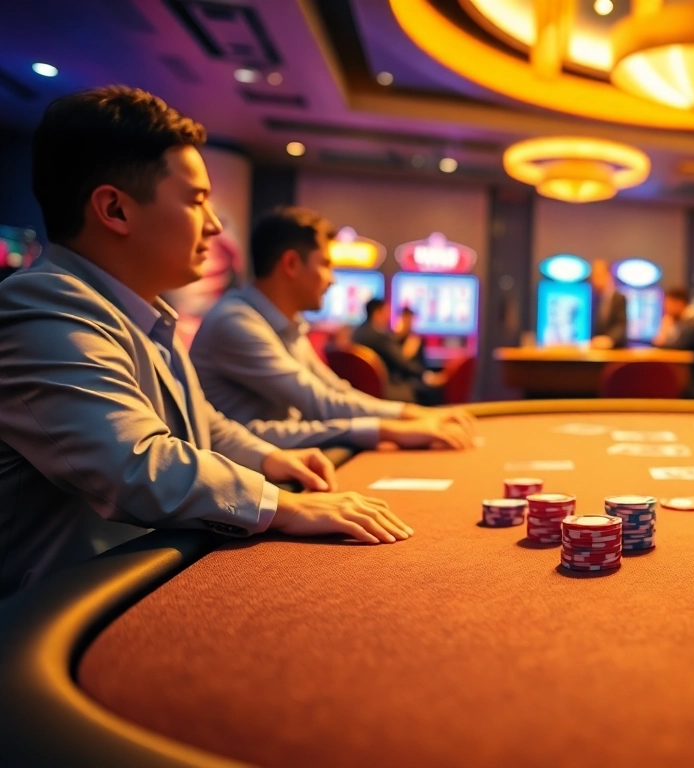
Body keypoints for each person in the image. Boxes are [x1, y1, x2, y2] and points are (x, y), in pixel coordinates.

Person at [0, 87, 411, 598]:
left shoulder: (141, 311)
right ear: (115, 210)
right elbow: (134, 464)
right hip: (55, 617)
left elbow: (204, 425)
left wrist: (268, 459)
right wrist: (287, 505)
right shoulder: (40, 305)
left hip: (143, 578)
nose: (215, 224)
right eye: (196, 200)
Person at [191, 207, 475, 450]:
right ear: (290, 264)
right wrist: (395, 425)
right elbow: (321, 403)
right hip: (245, 482)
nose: (333, 280)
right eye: (326, 264)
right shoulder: (236, 322)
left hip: (276, 462)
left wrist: (409, 414)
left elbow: (335, 391)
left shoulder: (286, 324)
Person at [353, 298, 447, 404]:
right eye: (386, 312)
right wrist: (427, 377)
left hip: (361, 388)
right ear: (377, 312)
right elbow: (402, 362)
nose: (388, 316)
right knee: (431, 392)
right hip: (386, 388)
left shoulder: (358, 332)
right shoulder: (379, 336)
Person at [653, 286, 694, 399]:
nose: (666, 309)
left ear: (679, 303)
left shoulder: (693, 324)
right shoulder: (684, 323)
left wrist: (664, 331)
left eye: (668, 304)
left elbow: (673, 347)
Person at [590, 258, 628, 350]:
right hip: (595, 350)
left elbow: (621, 325)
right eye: (593, 276)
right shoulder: (593, 298)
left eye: (598, 276)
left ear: (608, 275)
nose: (594, 280)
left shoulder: (619, 298)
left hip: (615, 351)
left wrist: (609, 340)